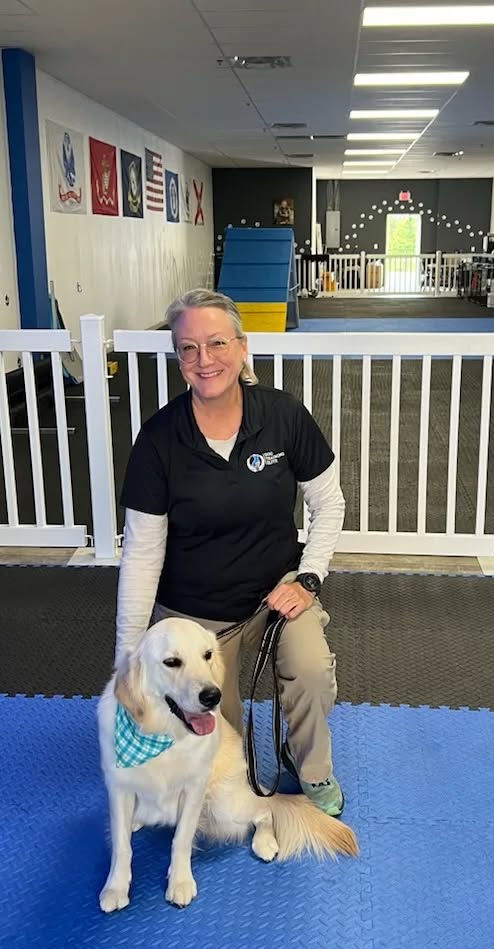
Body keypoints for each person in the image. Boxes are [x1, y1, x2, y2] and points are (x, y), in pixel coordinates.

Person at [114, 288, 347, 817]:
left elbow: (329, 504)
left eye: (217, 343)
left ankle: (307, 767)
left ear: (242, 349)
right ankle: (228, 778)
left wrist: (307, 579)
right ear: (178, 359)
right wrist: (127, 659)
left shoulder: (284, 416)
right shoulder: (157, 441)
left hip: (277, 593)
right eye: (189, 348)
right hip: (195, 612)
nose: (205, 359)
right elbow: (143, 556)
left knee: (311, 671)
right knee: (216, 726)